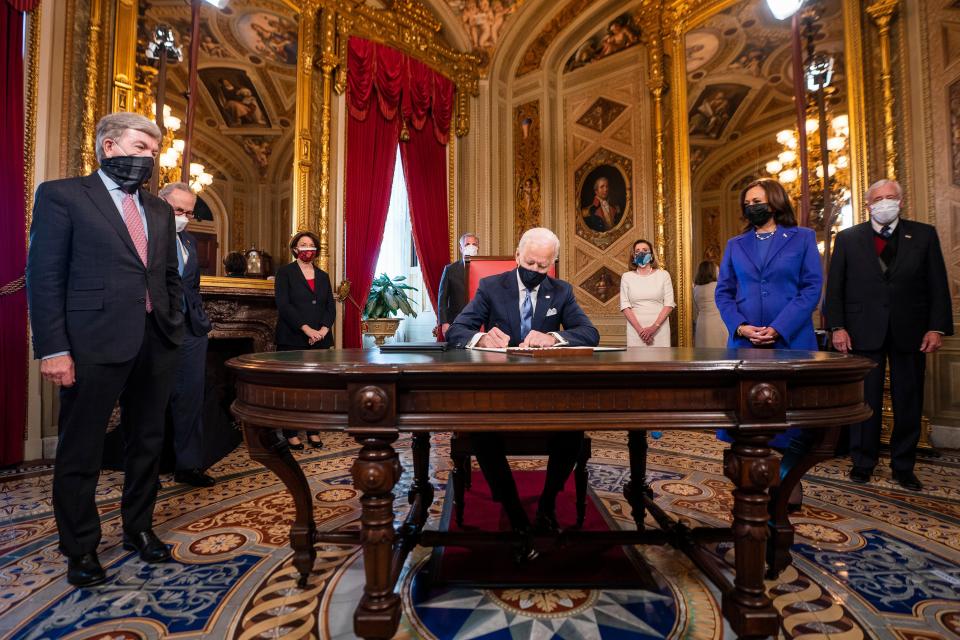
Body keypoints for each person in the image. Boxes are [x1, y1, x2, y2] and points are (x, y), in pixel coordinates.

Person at [26, 112, 184, 586]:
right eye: (139, 148)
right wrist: (53, 348)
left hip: (154, 342)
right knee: (82, 448)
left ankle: (139, 528)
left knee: (148, 444)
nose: (148, 160)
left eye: (153, 153)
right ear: (109, 147)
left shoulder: (157, 209)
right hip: (91, 342)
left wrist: (172, 322)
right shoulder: (63, 196)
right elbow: (44, 276)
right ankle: (80, 547)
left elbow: (165, 275)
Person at [446, 228, 599, 557]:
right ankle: (515, 514)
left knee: (573, 430)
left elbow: (589, 333)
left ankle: (546, 506)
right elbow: (457, 330)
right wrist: (481, 338)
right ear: (517, 256)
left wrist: (554, 338)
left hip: (546, 393)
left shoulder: (561, 291)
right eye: (530, 262)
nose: (535, 270)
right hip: (498, 391)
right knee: (482, 432)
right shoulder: (491, 287)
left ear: (552, 264)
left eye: (543, 266)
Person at [824, 179, 952, 491]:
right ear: (868, 205)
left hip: (911, 330)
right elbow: (835, 289)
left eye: (891, 197)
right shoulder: (848, 238)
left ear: (901, 201)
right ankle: (863, 462)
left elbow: (938, 284)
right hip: (861, 330)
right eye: (878, 198)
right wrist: (837, 327)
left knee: (909, 398)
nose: (885, 202)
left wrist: (936, 327)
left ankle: (903, 466)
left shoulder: (923, 234)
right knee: (865, 400)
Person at [715, 178, 822, 507]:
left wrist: (778, 328)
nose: (752, 207)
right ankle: (753, 480)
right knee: (748, 415)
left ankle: (786, 478)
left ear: (775, 201)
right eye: (747, 203)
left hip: (791, 341)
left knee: (793, 414)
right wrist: (742, 326)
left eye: (757, 200)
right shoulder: (736, 244)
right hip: (746, 344)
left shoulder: (802, 238)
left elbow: (811, 288)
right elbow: (724, 292)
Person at [158, 182, 215, 488]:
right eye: (178, 210)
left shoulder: (190, 242)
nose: (184, 217)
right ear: (161, 205)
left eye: (189, 212)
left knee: (191, 398)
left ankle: (189, 465)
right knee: (151, 401)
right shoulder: (147, 237)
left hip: (192, 330)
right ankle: (148, 469)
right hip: (156, 328)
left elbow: (191, 286)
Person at [274, 231, 335, 450]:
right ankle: (290, 432)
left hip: (320, 340)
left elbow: (330, 305)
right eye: (302, 244)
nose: (307, 248)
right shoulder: (285, 273)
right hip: (292, 337)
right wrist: (307, 330)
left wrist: (323, 330)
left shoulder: (323, 275)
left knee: (315, 388)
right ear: (295, 249)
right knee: (293, 388)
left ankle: (314, 430)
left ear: (316, 250)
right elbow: (284, 305)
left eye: (311, 245)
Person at [620, 239, 675, 347]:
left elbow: (669, 305)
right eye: (638, 251)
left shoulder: (663, 275)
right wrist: (641, 331)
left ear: (652, 255)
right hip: (635, 331)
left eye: (645, 250)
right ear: (633, 256)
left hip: (659, 330)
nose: (641, 253)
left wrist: (653, 328)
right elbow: (625, 306)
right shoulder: (627, 277)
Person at [436, 233, 479, 339]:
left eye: (474, 244)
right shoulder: (450, 270)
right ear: (461, 248)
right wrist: (444, 322)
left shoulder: (485, 269)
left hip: (479, 321)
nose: (471, 247)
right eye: (467, 244)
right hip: (456, 321)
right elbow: (442, 299)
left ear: (478, 248)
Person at [692, 260, 728, 348]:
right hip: (718, 324)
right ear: (712, 272)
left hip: (701, 324)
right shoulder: (719, 286)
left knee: (704, 355)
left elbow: (695, 308)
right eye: (718, 271)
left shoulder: (696, 289)